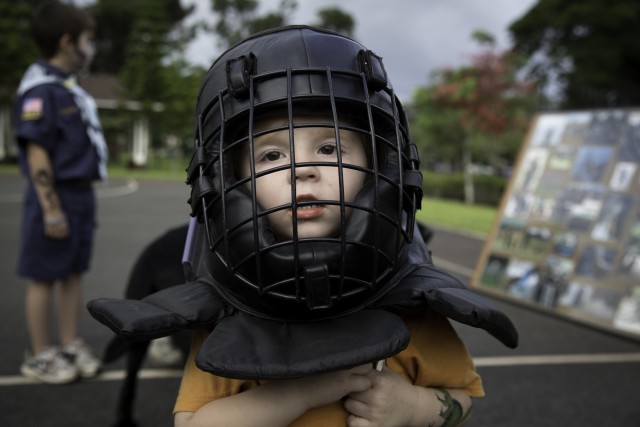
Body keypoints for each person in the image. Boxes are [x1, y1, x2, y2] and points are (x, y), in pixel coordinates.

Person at [88, 25, 517, 427]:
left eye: (330, 148)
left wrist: (415, 407)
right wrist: (299, 393)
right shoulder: (233, 313)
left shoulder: (412, 307)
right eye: (271, 156)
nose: (303, 169)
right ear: (231, 184)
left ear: (380, 169)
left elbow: (462, 396)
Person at [14, 0, 107, 384]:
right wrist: (50, 209)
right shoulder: (41, 91)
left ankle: (69, 344)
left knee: (72, 272)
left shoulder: (69, 89)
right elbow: (38, 155)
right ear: (68, 42)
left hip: (81, 194)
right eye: (89, 39)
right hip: (55, 195)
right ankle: (40, 354)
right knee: (44, 275)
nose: (92, 46)